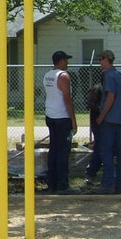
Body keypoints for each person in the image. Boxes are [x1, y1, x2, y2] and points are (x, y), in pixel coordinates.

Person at [93, 50, 121, 194]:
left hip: (109, 120)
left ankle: (107, 184)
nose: (100, 63)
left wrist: (101, 116)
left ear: (106, 60)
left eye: (100, 60)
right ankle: (120, 184)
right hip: (120, 119)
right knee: (120, 153)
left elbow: (110, 97)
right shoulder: (120, 75)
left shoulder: (109, 76)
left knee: (107, 152)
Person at [43, 50, 79, 193]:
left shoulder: (47, 75)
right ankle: (63, 185)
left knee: (54, 150)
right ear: (61, 61)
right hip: (62, 117)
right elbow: (67, 99)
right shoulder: (63, 76)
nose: (67, 63)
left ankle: (52, 183)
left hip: (50, 115)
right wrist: (73, 120)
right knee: (63, 152)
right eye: (66, 60)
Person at [84, 81, 103, 187]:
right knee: (99, 149)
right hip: (98, 124)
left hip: (104, 124)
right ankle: (90, 173)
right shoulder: (96, 90)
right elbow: (91, 105)